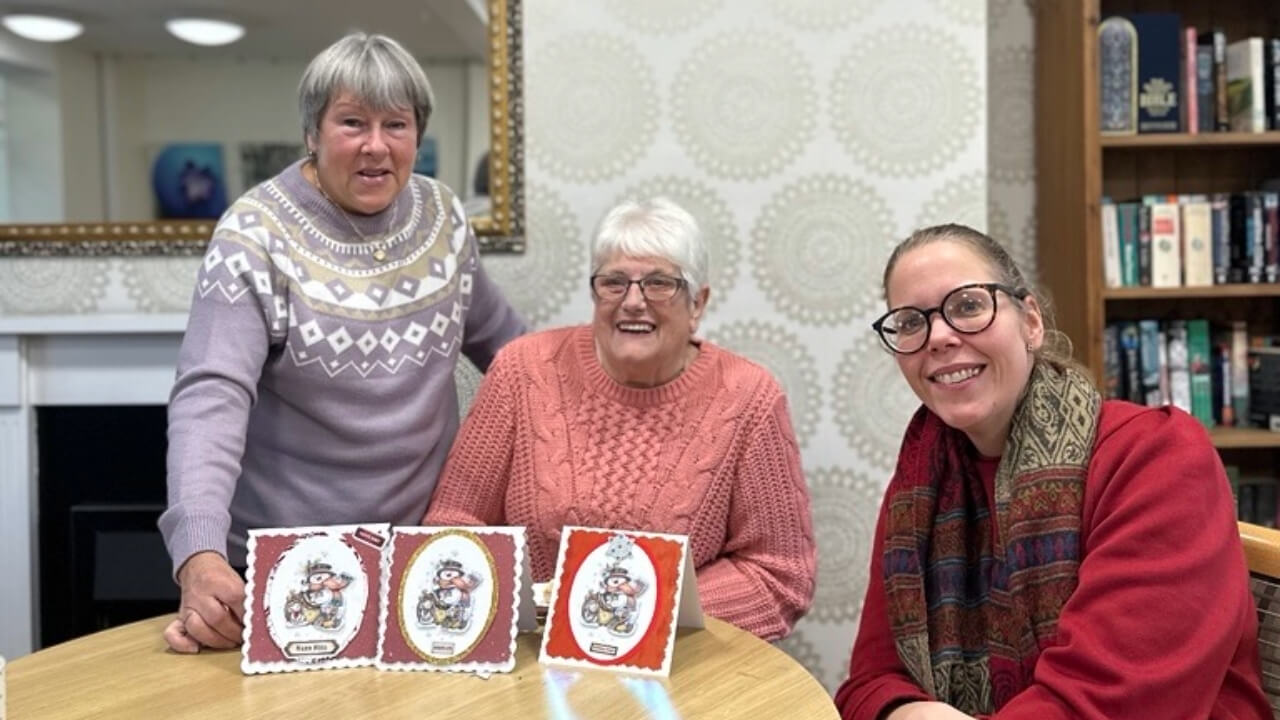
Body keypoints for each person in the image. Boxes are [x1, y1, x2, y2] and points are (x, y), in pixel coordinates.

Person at [158, 32, 525, 653]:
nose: (376, 145)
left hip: (418, 556)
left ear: (418, 134)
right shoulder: (253, 233)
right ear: (311, 133)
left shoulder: (443, 216)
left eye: (396, 124)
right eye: (352, 122)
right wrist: (198, 553)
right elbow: (210, 398)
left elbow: (510, 351)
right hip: (285, 564)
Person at [834, 224, 1269, 719]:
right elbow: (869, 682)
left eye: (969, 305)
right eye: (911, 322)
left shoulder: (1156, 457)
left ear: (1031, 322)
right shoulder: (918, 487)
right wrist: (905, 712)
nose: (938, 336)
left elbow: (1116, 704)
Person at [424, 197, 816, 640]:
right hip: (530, 656)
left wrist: (651, 609)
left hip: (680, 667)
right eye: (614, 282)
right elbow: (454, 521)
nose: (633, 301)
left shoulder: (750, 398)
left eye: (659, 283)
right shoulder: (523, 370)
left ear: (697, 304)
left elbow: (780, 577)